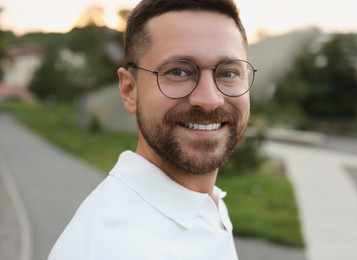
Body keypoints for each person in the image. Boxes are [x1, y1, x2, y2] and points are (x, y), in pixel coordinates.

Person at [49, 0, 257, 259]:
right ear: (129, 90)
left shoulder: (204, 202)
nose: (209, 99)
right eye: (179, 71)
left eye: (228, 73)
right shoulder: (111, 248)